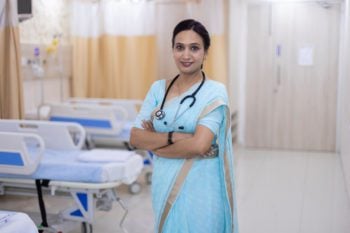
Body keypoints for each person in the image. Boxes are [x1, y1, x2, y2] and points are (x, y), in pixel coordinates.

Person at [130, 19, 238, 233]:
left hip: (203, 186)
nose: (186, 55)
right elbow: (135, 138)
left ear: (205, 52)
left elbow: (199, 145)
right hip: (164, 181)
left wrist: (154, 144)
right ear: (172, 50)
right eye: (180, 47)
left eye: (194, 48)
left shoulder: (215, 92)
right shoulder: (158, 89)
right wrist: (174, 137)